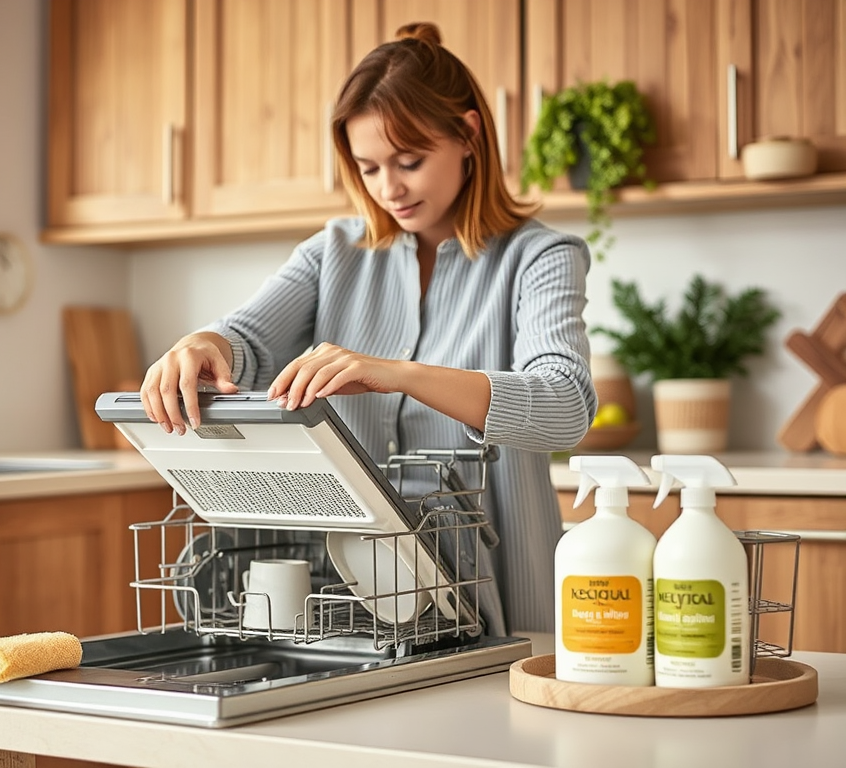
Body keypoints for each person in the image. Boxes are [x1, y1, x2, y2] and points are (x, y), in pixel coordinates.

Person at [140, 22, 596, 634]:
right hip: (346, 604)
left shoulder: (540, 257)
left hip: (501, 597)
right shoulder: (333, 252)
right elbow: (245, 340)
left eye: (410, 162)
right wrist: (201, 345)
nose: (390, 189)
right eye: (370, 168)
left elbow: (564, 405)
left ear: (468, 134)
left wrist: (399, 376)